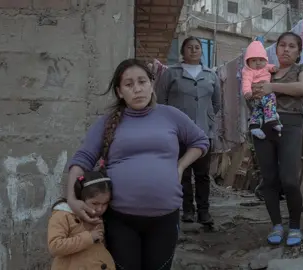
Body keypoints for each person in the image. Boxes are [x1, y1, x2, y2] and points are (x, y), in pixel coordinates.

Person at [66, 59, 210, 269]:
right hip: (121, 219)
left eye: (142, 82)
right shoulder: (107, 122)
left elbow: (201, 141)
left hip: (165, 217)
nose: (137, 89)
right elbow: (82, 159)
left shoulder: (170, 115)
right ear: (119, 91)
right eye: (129, 84)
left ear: (151, 85)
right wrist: (71, 198)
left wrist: (179, 166)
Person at [251, 32, 303, 247]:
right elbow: (252, 94)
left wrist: (271, 88)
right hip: (263, 127)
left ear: (298, 52)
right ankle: (277, 225)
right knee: (269, 179)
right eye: (282, 45)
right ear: (276, 49)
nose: (286, 49)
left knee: (289, 179)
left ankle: (295, 226)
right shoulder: (266, 71)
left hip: (290, 125)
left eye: (292, 46)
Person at [155, 36, 221, 225]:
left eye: (197, 47)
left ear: (202, 51)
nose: (194, 50)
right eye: (189, 47)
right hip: (177, 132)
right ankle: (187, 210)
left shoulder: (211, 75)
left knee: (202, 174)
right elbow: (161, 100)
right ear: (183, 52)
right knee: (182, 172)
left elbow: (217, 103)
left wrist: (206, 119)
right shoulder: (171, 73)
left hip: (203, 132)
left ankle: (204, 212)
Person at [48, 171, 115, 270]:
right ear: (81, 198)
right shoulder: (63, 215)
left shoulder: (98, 217)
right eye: (95, 203)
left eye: (105, 204)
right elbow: (55, 246)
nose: (100, 209)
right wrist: (89, 237)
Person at [242, 40, 281, 139]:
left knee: (258, 110)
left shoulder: (266, 67)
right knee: (270, 97)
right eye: (254, 60)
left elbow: (271, 67)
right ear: (248, 62)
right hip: (258, 93)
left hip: (259, 97)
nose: (258, 63)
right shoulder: (248, 71)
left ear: (265, 59)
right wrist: (247, 92)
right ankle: (270, 118)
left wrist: (274, 68)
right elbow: (246, 81)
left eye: (260, 60)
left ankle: (254, 126)